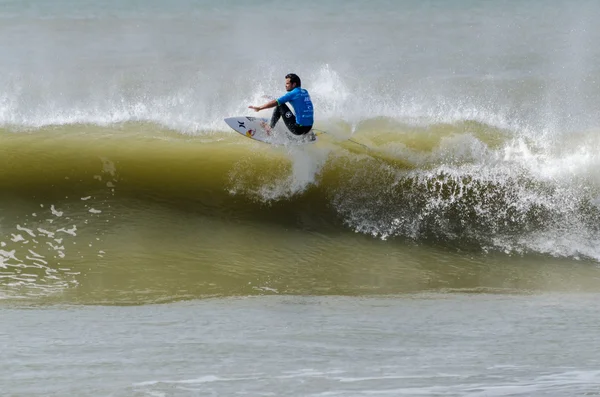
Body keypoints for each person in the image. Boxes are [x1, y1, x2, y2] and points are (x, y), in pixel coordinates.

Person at [248, 73, 314, 136]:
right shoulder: (305, 91)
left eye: (287, 83)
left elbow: (277, 102)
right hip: (309, 127)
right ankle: (309, 133)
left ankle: (270, 127)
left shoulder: (293, 94)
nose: (285, 85)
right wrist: (271, 98)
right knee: (301, 111)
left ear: (294, 84)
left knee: (280, 105)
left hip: (298, 129)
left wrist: (259, 108)